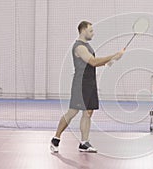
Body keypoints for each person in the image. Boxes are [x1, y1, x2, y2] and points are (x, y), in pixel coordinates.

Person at [50, 21, 124, 153]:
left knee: (88, 112)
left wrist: (113, 60)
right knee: (72, 112)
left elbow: (95, 65)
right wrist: (112, 55)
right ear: (83, 30)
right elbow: (94, 62)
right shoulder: (79, 47)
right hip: (81, 83)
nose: (93, 33)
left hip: (90, 82)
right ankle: (56, 138)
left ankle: (84, 142)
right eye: (90, 31)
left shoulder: (88, 46)